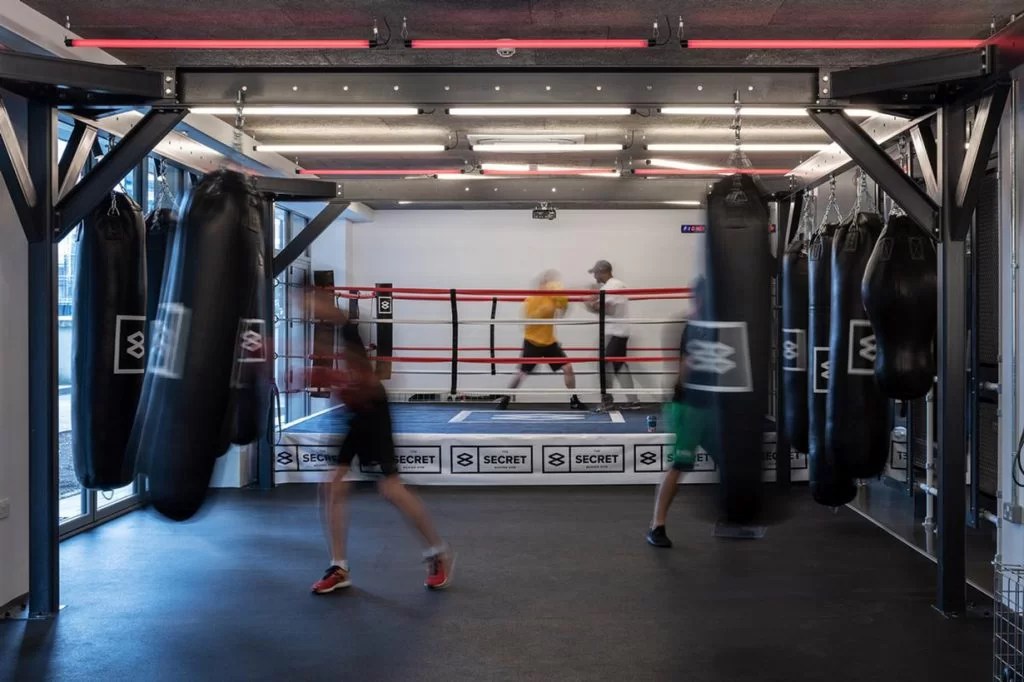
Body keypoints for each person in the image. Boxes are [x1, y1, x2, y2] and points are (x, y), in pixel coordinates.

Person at [307, 288, 454, 593]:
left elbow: (344, 322)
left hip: (373, 410)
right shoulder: (321, 338)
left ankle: (437, 553)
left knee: (391, 489)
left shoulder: (347, 332)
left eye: (312, 302)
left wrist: (323, 303)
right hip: (351, 413)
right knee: (333, 482)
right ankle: (339, 567)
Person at [646, 277, 714, 548]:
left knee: (733, 457)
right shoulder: (693, 327)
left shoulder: (717, 326)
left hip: (710, 406)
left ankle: (733, 515)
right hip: (688, 405)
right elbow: (684, 367)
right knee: (679, 466)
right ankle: (657, 525)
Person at [498, 270, 585, 411]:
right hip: (532, 341)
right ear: (540, 284)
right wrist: (541, 312)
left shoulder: (552, 297)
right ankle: (505, 399)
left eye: (551, 282)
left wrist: (564, 301)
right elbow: (527, 323)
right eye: (546, 282)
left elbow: (562, 314)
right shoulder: (531, 300)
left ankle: (574, 399)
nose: (549, 285)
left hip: (550, 342)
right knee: (521, 373)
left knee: (568, 368)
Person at [584, 260, 638, 409]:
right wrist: (593, 303)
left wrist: (589, 303)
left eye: (596, 273)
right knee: (619, 365)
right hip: (618, 331)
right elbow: (606, 308)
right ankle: (633, 401)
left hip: (617, 332)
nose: (595, 276)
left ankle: (607, 401)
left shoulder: (612, 286)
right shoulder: (615, 285)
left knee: (604, 364)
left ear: (603, 271)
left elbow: (607, 309)